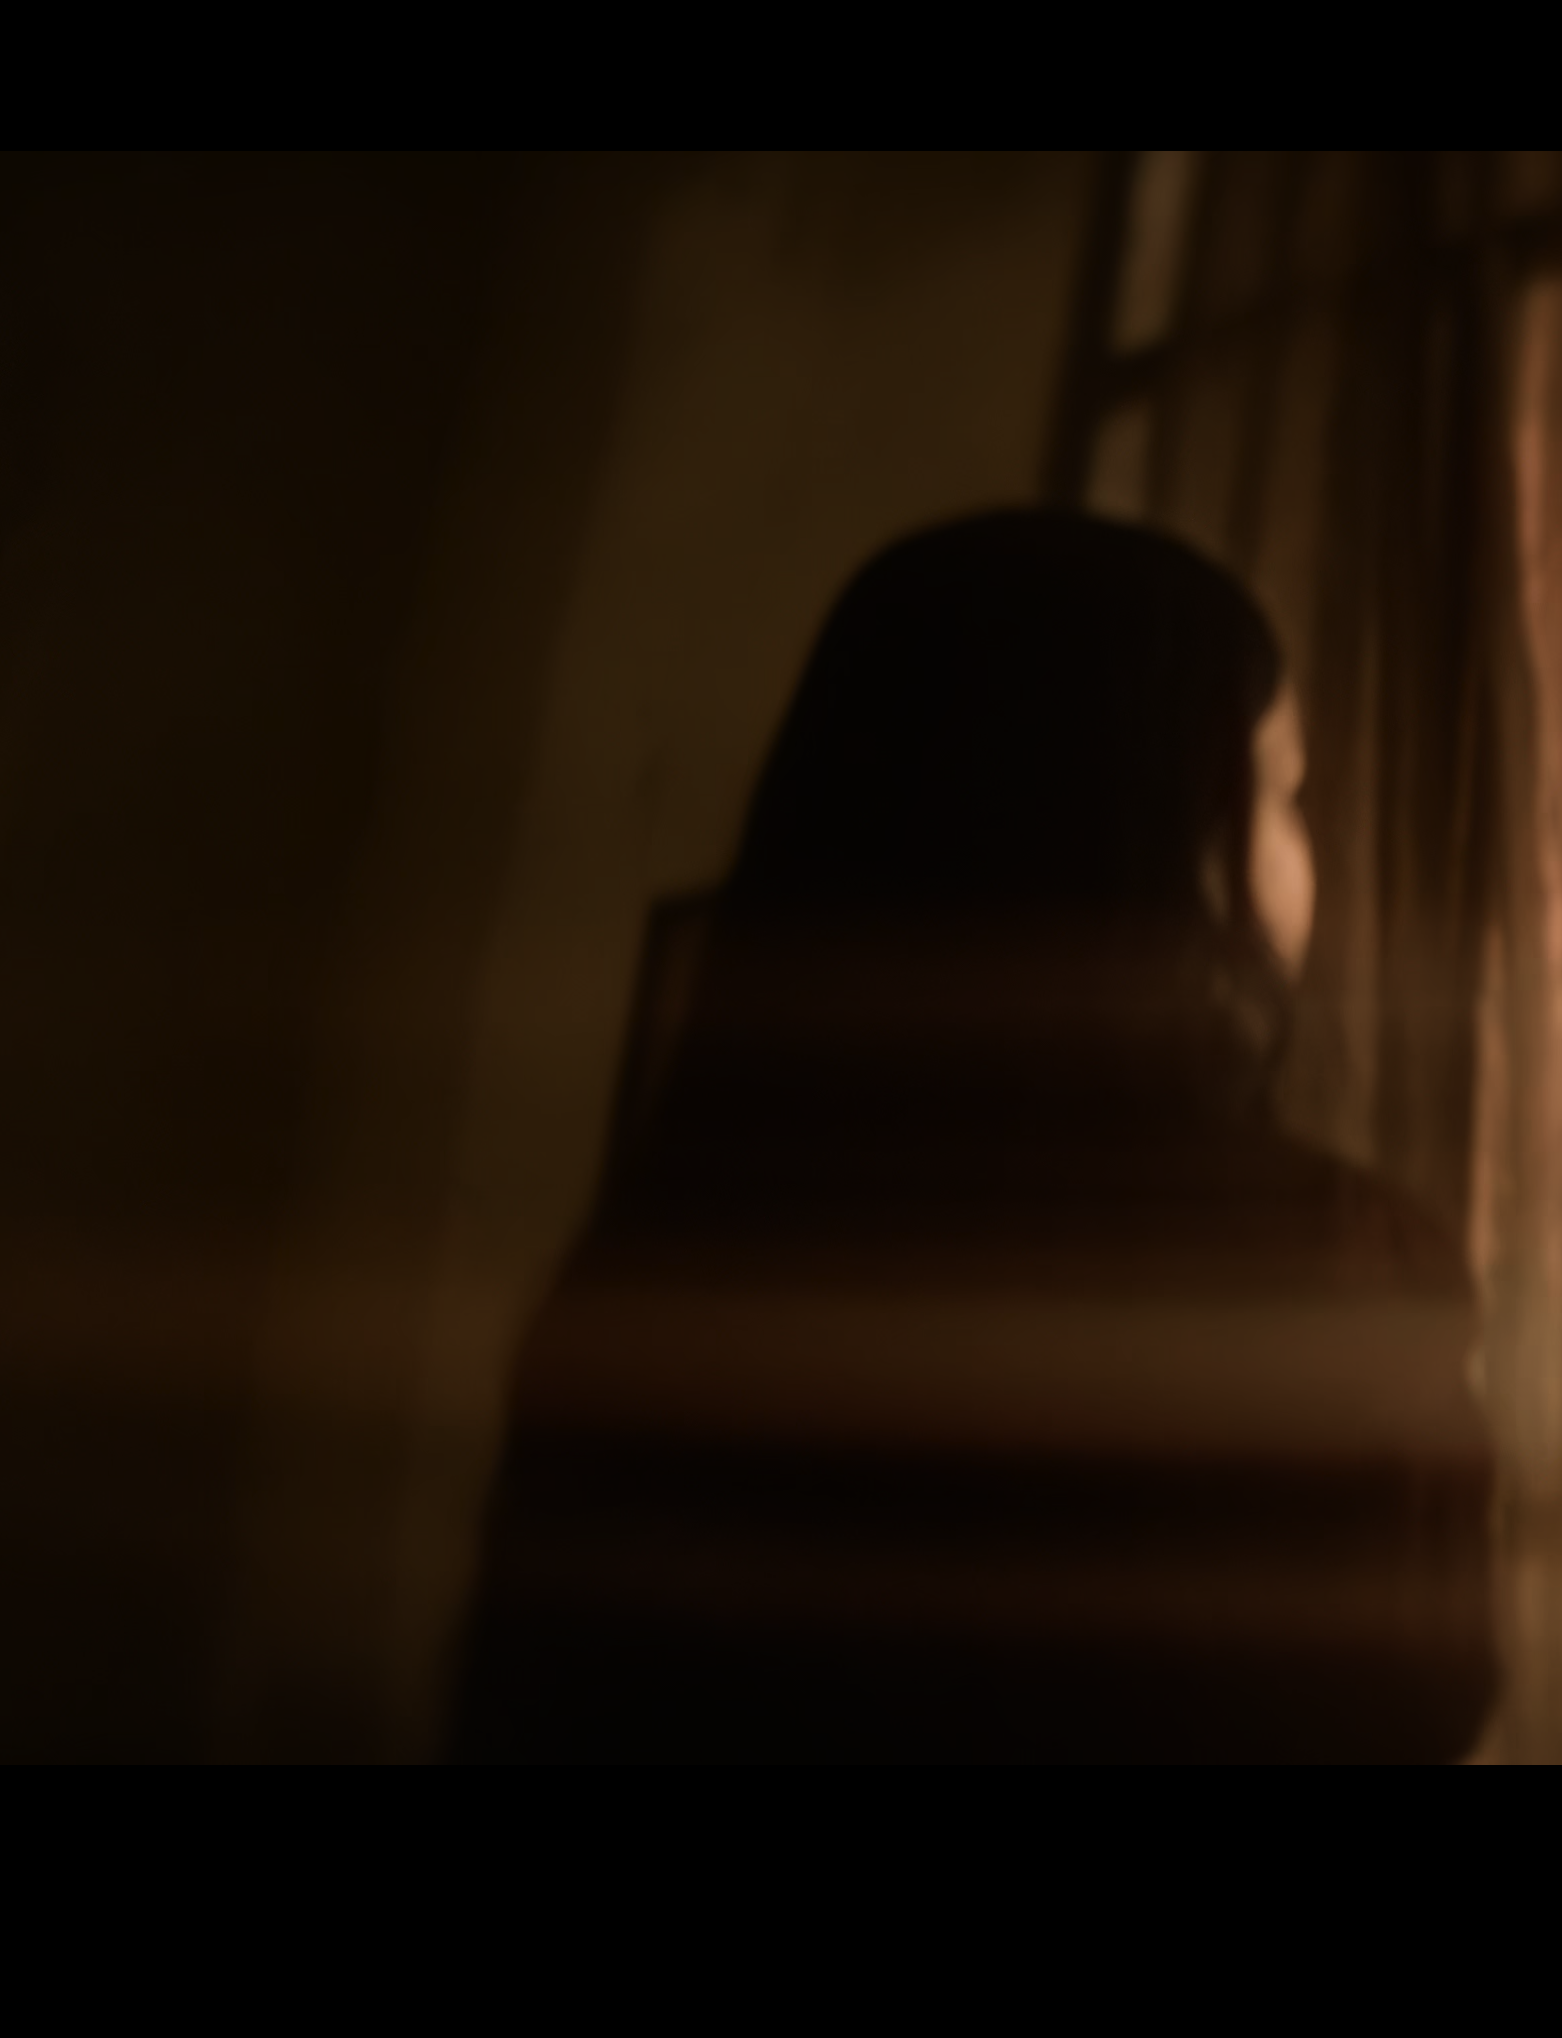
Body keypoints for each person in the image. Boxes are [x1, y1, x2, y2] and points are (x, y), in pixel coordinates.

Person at [449, 511, 1495, 1762]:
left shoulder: (656, 1276)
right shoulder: (1333, 1270)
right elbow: (1415, 1703)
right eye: (1283, 791)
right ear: (1172, 834)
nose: (1308, 858)